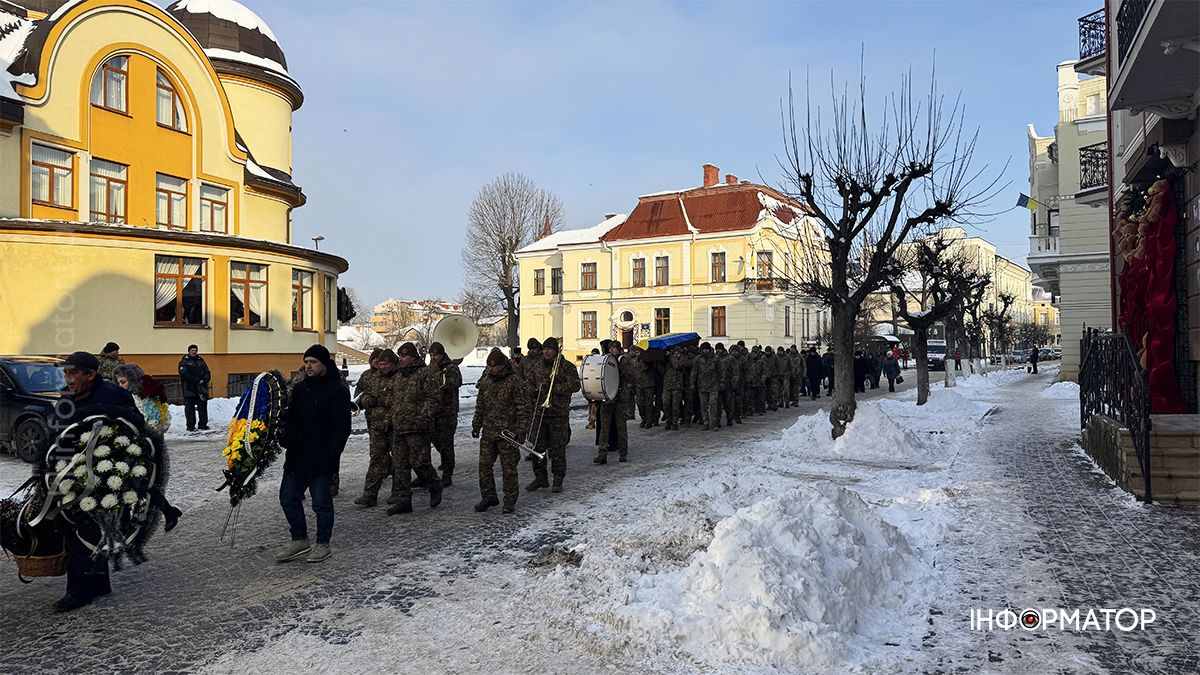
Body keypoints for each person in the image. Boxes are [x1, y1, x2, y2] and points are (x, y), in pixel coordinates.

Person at [49, 351, 145, 611]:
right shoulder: (67, 397)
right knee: (86, 527)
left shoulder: (114, 395)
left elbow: (137, 427)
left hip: (107, 472)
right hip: (74, 472)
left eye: (72, 373)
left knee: (83, 528)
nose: (67, 378)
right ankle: (100, 582)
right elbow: (58, 430)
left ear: (90, 375)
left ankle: (78, 591)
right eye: (65, 373)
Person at [276, 345, 351, 564]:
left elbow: (341, 428)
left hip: (322, 457)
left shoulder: (337, 390)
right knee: (288, 498)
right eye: (306, 361)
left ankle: (322, 543)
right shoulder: (300, 389)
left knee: (321, 503)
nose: (308, 366)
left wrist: (332, 456)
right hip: (297, 455)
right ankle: (299, 539)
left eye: (313, 362)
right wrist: (286, 435)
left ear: (324, 364)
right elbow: (291, 418)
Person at [112, 363, 183, 532]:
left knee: (142, 484)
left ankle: (133, 522)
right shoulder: (127, 397)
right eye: (118, 383)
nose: (121, 386)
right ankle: (167, 512)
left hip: (146, 448)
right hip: (130, 446)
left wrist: (141, 437)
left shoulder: (146, 398)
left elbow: (158, 423)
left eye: (123, 382)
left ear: (132, 380)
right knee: (137, 484)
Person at [387, 342, 443, 514]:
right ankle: (404, 500)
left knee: (420, 462)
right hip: (400, 427)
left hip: (418, 428)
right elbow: (393, 400)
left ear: (413, 357)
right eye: (400, 356)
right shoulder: (397, 376)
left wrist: (422, 418)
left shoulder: (425, 374)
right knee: (400, 465)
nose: (401, 359)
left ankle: (434, 484)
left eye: (404, 356)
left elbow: (434, 399)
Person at [472, 348, 530, 513]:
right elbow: (480, 406)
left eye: (494, 367)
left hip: (508, 434)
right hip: (489, 432)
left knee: (509, 469)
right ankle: (489, 496)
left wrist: (521, 431)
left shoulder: (515, 382)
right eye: (488, 366)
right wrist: (476, 425)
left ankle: (510, 500)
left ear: (502, 366)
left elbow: (523, 409)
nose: (490, 369)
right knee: (484, 466)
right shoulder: (486, 382)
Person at [527, 338, 580, 493]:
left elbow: (575, 385)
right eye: (544, 349)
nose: (546, 351)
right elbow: (529, 383)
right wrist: (533, 390)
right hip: (541, 412)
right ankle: (540, 477)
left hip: (558, 413)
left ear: (556, 350)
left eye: (550, 349)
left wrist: (555, 388)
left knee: (557, 449)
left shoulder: (567, 367)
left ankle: (558, 478)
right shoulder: (537, 366)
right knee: (538, 448)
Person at [354, 349, 399, 507]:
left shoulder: (400, 377)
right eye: (380, 364)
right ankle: (370, 494)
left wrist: (379, 400)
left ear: (393, 364)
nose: (382, 367)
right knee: (376, 460)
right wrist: (371, 401)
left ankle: (398, 493)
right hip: (377, 425)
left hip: (395, 425)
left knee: (399, 462)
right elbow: (364, 396)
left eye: (385, 364)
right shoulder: (373, 377)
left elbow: (399, 400)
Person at [427, 341, 462, 487]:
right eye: (432, 355)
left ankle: (448, 473)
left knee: (447, 444)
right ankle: (441, 464)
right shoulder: (430, 368)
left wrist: (443, 383)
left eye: (436, 355)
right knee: (435, 441)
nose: (434, 357)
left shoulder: (451, 368)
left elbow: (456, 383)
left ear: (442, 355)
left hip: (447, 411)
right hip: (434, 411)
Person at [595, 340, 631, 463]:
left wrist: (621, 366)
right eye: (610, 348)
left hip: (620, 399)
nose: (611, 350)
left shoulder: (623, 361)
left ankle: (623, 452)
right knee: (604, 427)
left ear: (619, 349)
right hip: (607, 398)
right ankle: (602, 453)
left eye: (614, 348)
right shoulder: (606, 360)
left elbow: (631, 376)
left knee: (621, 427)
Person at [178, 345, 211, 432]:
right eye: (192, 350)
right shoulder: (184, 362)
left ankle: (203, 424)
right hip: (190, 389)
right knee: (190, 408)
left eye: (196, 350)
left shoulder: (201, 360)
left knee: (203, 407)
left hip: (201, 388)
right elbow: (184, 374)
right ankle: (190, 426)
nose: (194, 352)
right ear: (189, 351)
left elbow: (207, 372)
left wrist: (204, 380)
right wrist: (197, 381)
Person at [691, 343, 720, 431]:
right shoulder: (698, 359)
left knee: (713, 404)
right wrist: (692, 383)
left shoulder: (716, 358)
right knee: (703, 406)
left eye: (706, 349)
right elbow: (694, 372)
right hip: (702, 386)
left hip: (713, 385)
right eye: (703, 349)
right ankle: (706, 422)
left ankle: (714, 423)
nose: (705, 351)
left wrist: (722, 382)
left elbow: (721, 370)